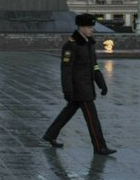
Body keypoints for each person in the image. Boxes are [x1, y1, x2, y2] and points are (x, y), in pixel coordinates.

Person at [42, 13, 116, 155]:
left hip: (87, 87)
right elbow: (66, 70)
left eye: (92, 27)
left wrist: (101, 83)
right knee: (92, 119)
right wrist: (67, 90)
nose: (91, 30)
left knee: (67, 113)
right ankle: (100, 147)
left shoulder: (89, 43)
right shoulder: (71, 45)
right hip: (80, 89)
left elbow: (94, 66)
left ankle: (50, 135)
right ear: (80, 27)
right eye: (89, 27)